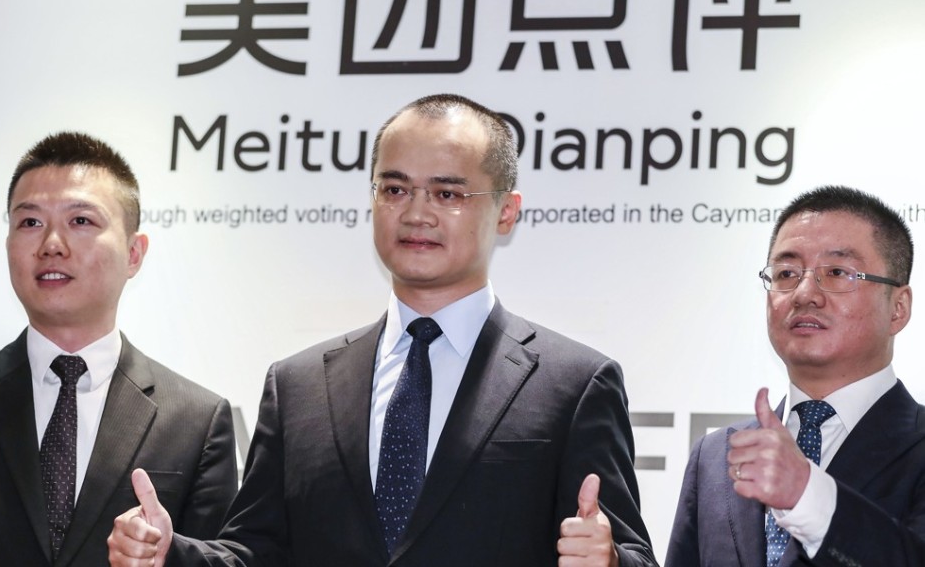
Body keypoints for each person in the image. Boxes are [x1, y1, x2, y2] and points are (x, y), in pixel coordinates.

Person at [108, 94, 657, 566]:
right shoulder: (297, 386)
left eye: (448, 194)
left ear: (507, 212)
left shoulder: (575, 384)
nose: (416, 213)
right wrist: (170, 553)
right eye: (394, 190)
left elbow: (634, 551)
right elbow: (256, 552)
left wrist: (609, 559)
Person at [0, 132, 239, 566]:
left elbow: (224, 558)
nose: (52, 244)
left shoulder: (197, 421)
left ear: (134, 253)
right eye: (30, 223)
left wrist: (168, 556)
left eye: (81, 221)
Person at [665, 185, 925, 566]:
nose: (804, 293)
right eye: (786, 273)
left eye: (837, 272)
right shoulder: (716, 455)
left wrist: (807, 495)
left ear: (898, 308)